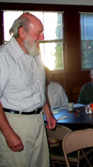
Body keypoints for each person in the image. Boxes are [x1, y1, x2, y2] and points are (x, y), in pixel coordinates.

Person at [0, 13, 56, 167]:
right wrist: (8, 133)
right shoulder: (4, 57)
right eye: (38, 32)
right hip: (15, 122)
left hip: (38, 120)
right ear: (22, 31)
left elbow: (38, 88)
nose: (42, 37)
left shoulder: (34, 53)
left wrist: (48, 113)